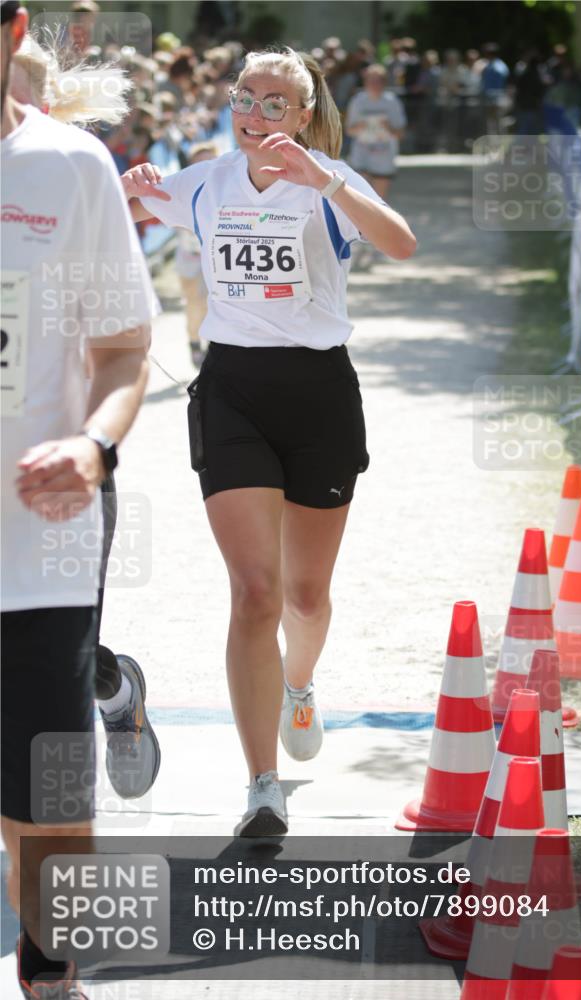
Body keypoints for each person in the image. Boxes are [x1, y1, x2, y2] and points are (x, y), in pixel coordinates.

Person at [122, 46, 416, 836]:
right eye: (244, 97)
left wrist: (327, 183)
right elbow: (128, 209)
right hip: (233, 391)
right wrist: (135, 186)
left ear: (305, 114)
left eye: (273, 102)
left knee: (304, 597)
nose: (254, 114)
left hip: (319, 394)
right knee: (255, 591)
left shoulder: (328, 180)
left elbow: (401, 244)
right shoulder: (208, 180)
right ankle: (261, 784)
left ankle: (299, 683)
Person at [1, 5, 154, 997]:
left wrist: (94, 445)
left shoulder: (71, 166)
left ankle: (50, 971)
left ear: (11, 26)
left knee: (47, 804)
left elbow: (126, 350)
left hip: (38, 540)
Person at [176, 140, 218, 367]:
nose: (205, 166)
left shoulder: (228, 187)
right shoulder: (182, 187)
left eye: (210, 160)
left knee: (216, 306)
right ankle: (194, 344)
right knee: (195, 304)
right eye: (200, 162)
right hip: (191, 260)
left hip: (219, 261)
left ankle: (214, 348)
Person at [345, 63, 406, 203]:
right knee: (361, 200)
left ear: (384, 83)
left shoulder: (392, 102)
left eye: (378, 81)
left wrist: (388, 127)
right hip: (361, 156)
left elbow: (400, 133)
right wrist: (360, 126)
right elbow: (349, 130)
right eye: (370, 80)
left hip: (384, 156)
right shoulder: (357, 101)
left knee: (379, 202)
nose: (374, 84)